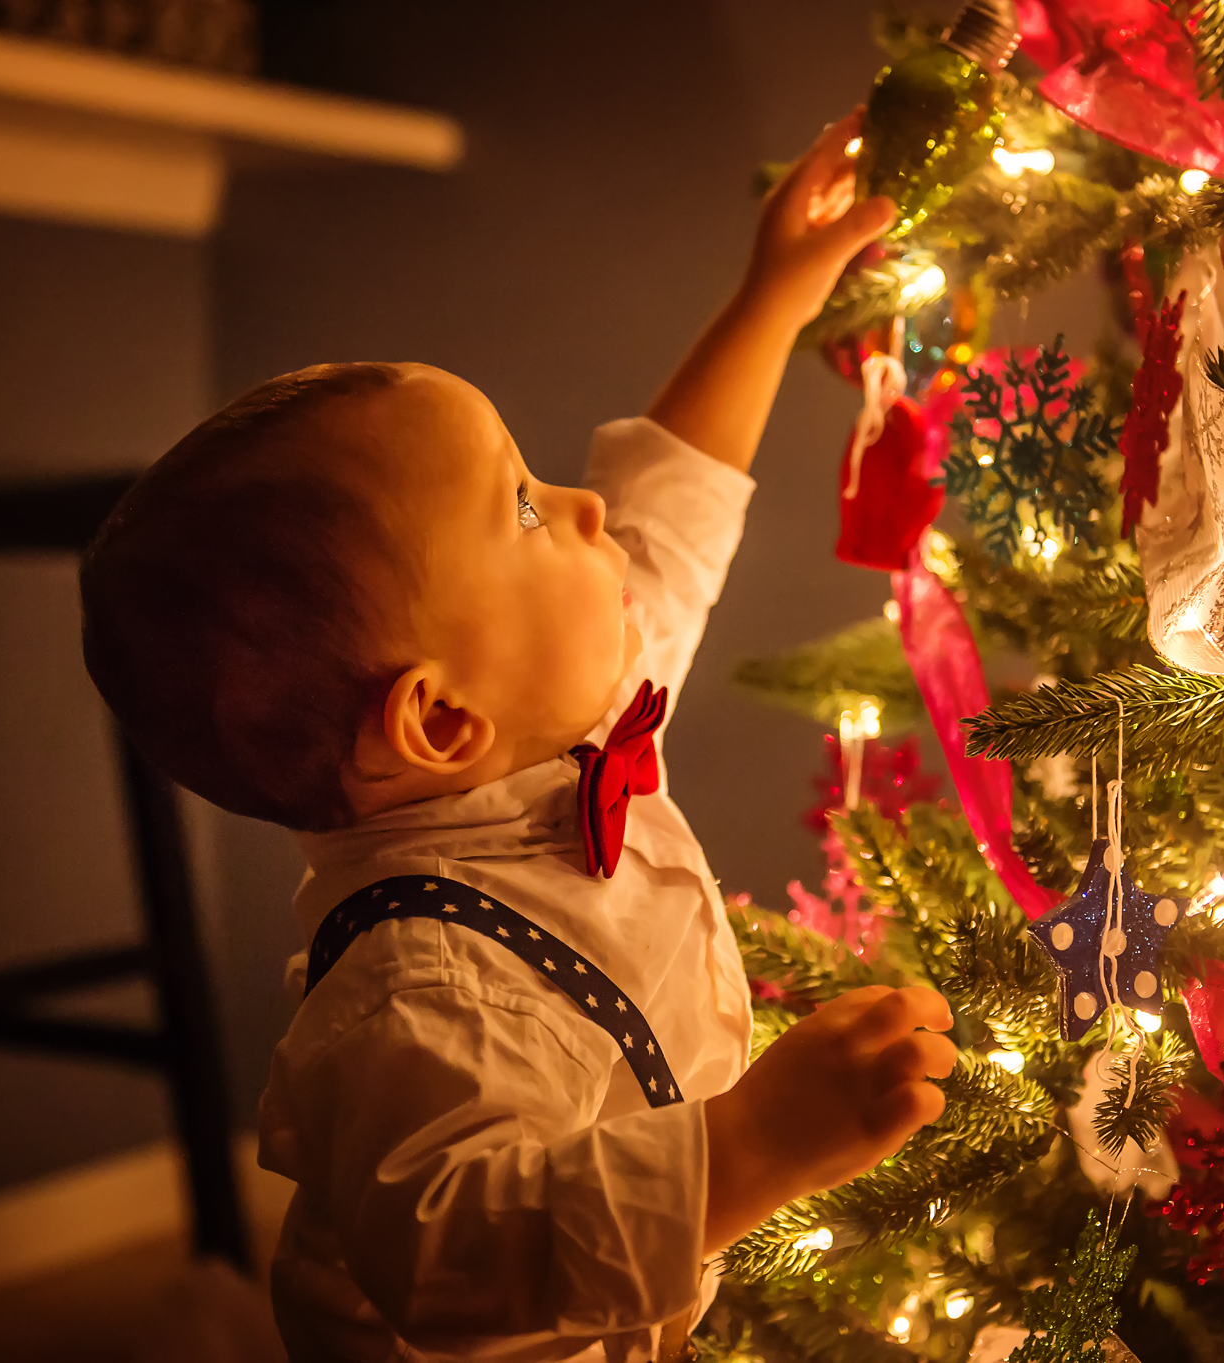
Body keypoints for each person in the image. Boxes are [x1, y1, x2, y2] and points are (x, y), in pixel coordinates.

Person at [78, 111, 958, 1363]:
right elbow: (455, 1252)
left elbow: (670, 506)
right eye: (528, 508)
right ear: (438, 717)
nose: (585, 501)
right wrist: (752, 1146)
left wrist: (775, 293)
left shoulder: (555, 715)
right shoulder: (414, 985)